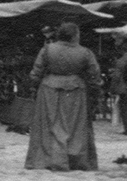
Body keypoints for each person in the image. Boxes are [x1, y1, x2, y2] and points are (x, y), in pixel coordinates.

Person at [25, 21, 103, 172]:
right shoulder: (85, 52)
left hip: (49, 91)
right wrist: (95, 92)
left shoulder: (47, 49)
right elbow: (94, 76)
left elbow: (36, 72)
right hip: (76, 91)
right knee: (75, 128)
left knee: (49, 126)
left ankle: (48, 159)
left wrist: (33, 88)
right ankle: (75, 160)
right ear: (75, 36)